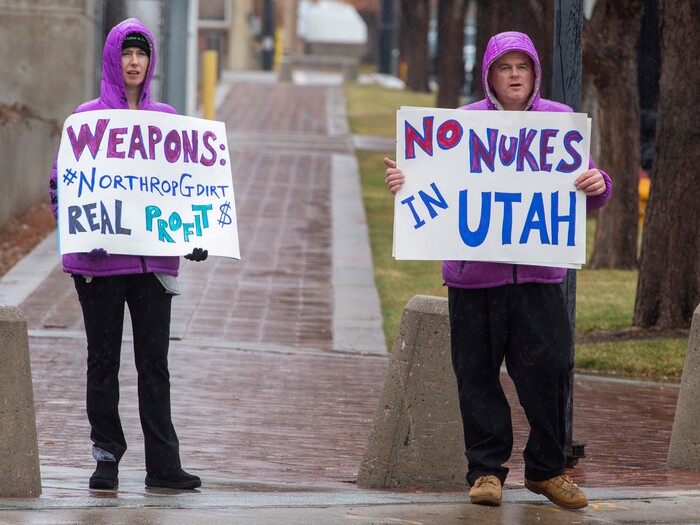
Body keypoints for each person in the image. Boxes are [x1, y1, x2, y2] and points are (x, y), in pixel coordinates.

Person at [384, 31, 612, 509]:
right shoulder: (461, 125)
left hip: (539, 277)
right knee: (476, 374)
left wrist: (598, 183)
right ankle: (486, 471)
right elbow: (428, 184)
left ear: (535, 74)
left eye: (522, 67)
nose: (514, 75)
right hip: (474, 280)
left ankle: (548, 472)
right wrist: (404, 182)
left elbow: (592, 188)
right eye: (504, 67)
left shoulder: (558, 126)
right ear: (489, 75)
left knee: (550, 371)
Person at [49, 18, 207, 491]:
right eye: (126, 54)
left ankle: (163, 464)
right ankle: (106, 459)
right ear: (112, 60)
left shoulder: (168, 121)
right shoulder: (86, 121)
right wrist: (82, 226)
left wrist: (195, 234)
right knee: (103, 362)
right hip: (98, 265)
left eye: (141, 54)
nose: (134, 62)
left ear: (151, 60)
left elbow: (188, 189)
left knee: (155, 365)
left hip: (152, 265)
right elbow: (61, 187)